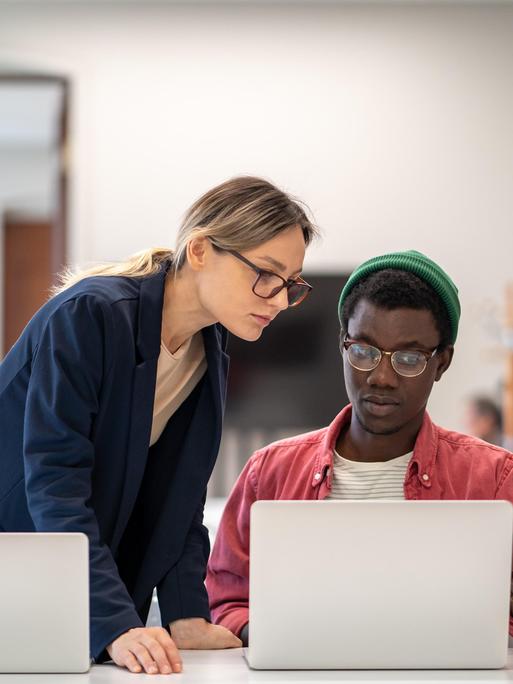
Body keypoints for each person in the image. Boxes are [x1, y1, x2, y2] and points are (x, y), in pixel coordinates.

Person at [0, 176, 318, 674]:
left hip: (65, 582)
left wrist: (185, 613)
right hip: (19, 564)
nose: (278, 299)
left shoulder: (209, 349)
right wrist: (113, 622)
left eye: (291, 284)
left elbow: (180, 496)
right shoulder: (90, 315)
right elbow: (55, 482)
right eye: (267, 274)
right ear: (199, 251)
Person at [206, 250, 513, 645]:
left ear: (442, 363)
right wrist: (275, 635)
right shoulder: (269, 472)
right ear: (342, 346)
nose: (381, 377)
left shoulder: (494, 479)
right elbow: (226, 600)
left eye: (408, 358)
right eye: (364, 352)